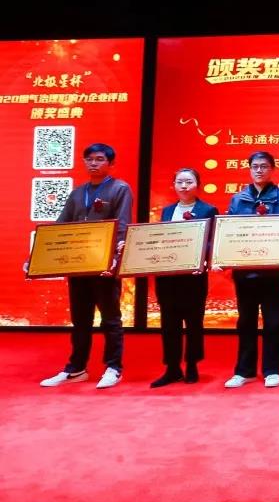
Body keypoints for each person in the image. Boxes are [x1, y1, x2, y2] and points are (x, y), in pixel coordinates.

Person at [38, 143, 133, 389]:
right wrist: (37, 257)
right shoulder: (77, 193)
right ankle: (76, 368)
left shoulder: (120, 188)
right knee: (80, 320)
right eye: (89, 159)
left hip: (104, 266)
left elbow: (122, 225)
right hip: (78, 265)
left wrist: (115, 259)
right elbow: (59, 227)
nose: (93, 163)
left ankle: (113, 368)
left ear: (110, 163)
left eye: (99, 159)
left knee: (110, 319)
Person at [222, 151, 279, 389]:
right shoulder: (238, 199)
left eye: (264, 166)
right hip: (245, 271)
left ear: (272, 169)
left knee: (273, 322)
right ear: (249, 169)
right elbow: (230, 232)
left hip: (273, 271)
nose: (259, 170)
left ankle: (272, 370)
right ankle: (244, 371)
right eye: (255, 166)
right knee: (246, 321)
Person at [151, 167, 218, 388]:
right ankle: (172, 368)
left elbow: (212, 241)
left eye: (189, 182)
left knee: (193, 322)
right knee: (169, 323)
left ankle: (191, 365)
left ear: (197, 185)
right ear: (174, 185)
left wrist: (203, 260)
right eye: (180, 182)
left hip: (193, 277)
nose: (184, 186)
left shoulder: (208, 210)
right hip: (168, 277)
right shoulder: (167, 211)